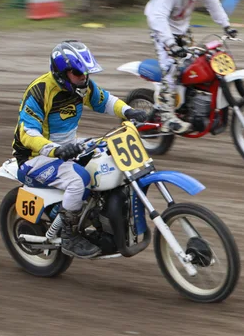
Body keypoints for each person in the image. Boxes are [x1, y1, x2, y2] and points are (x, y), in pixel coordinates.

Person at [12, 40, 148, 259]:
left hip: (68, 147)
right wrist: (55, 150)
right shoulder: (40, 91)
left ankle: (100, 216)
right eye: (77, 72)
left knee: (109, 156)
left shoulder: (82, 87)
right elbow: (27, 133)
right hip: (35, 156)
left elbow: (105, 100)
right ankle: (68, 236)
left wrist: (129, 111)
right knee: (78, 179)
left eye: (86, 72)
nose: (83, 77)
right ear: (61, 73)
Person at [144, 0, 238, 134]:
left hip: (183, 30)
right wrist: (170, 44)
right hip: (163, 32)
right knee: (171, 68)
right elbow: (157, 16)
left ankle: (191, 106)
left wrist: (226, 25)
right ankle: (167, 117)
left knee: (196, 65)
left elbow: (213, 4)